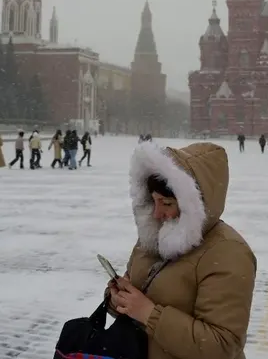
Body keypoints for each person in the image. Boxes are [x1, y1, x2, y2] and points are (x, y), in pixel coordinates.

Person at [107, 140, 256, 359]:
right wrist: (117, 299)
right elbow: (135, 293)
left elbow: (222, 346)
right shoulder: (153, 237)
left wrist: (149, 314)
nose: (157, 214)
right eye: (154, 201)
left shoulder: (228, 253)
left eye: (166, 203)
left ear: (193, 205)